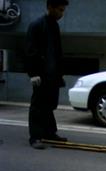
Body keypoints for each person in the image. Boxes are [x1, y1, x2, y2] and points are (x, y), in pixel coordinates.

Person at [25, 0, 69, 149]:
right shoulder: (36, 25)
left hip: (53, 74)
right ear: (50, 7)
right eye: (60, 10)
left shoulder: (54, 26)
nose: (62, 14)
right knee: (38, 105)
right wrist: (33, 73)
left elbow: (57, 52)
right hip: (41, 74)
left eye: (63, 11)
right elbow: (31, 51)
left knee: (49, 105)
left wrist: (60, 74)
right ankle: (35, 137)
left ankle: (49, 132)